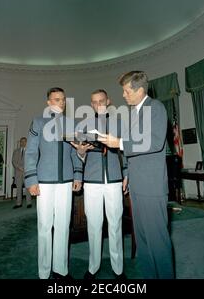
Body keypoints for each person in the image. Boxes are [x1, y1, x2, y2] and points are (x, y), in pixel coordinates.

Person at [98, 71, 174, 279]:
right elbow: (136, 152)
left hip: (152, 186)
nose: (123, 95)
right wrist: (128, 174)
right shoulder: (134, 114)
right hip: (137, 186)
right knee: (143, 242)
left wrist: (120, 143)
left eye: (126, 90)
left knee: (158, 242)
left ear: (140, 90)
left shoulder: (155, 107)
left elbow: (155, 141)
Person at [24, 87, 83, 280]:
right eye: (56, 99)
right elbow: (31, 152)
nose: (61, 102)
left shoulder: (71, 124)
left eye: (63, 99)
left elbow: (75, 152)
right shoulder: (38, 122)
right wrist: (31, 179)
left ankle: (61, 270)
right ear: (48, 102)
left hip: (66, 181)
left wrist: (77, 175)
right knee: (44, 226)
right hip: (44, 181)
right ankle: (43, 272)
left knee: (63, 225)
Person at [72, 89, 128, 280]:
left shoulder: (119, 123)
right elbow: (77, 154)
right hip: (92, 181)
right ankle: (93, 267)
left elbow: (126, 152)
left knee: (115, 224)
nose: (98, 105)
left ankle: (118, 269)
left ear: (108, 101)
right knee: (94, 225)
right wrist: (80, 152)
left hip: (114, 180)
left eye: (101, 101)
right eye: (94, 102)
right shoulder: (83, 125)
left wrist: (126, 174)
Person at [12, 137, 32, 209]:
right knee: (19, 188)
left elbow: (32, 161)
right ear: (20, 142)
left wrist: (26, 168)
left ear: (27, 142)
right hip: (18, 173)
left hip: (26, 172)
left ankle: (29, 203)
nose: (23, 143)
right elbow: (13, 161)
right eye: (21, 141)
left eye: (24, 141)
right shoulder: (16, 151)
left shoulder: (30, 151)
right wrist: (19, 167)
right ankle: (18, 203)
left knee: (28, 188)